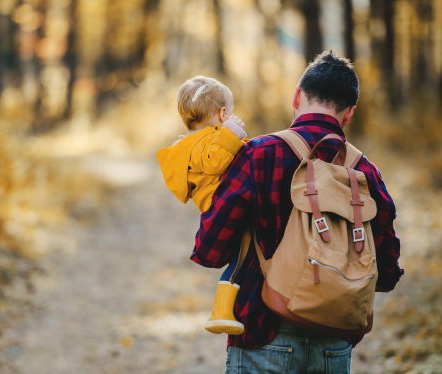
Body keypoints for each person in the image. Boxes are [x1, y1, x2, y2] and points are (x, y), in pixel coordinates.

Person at [190, 51, 404, 373]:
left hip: (264, 335)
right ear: (349, 114)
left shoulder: (257, 155)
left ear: (297, 96)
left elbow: (210, 249)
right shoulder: (366, 174)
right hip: (334, 346)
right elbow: (386, 274)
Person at [156, 75, 249, 335]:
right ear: (222, 114)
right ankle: (221, 312)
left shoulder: (197, 141)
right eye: (231, 114)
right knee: (239, 258)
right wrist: (232, 135)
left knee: (239, 257)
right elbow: (215, 162)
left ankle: (230, 308)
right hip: (226, 206)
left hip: (222, 206)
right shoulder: (207, 141)